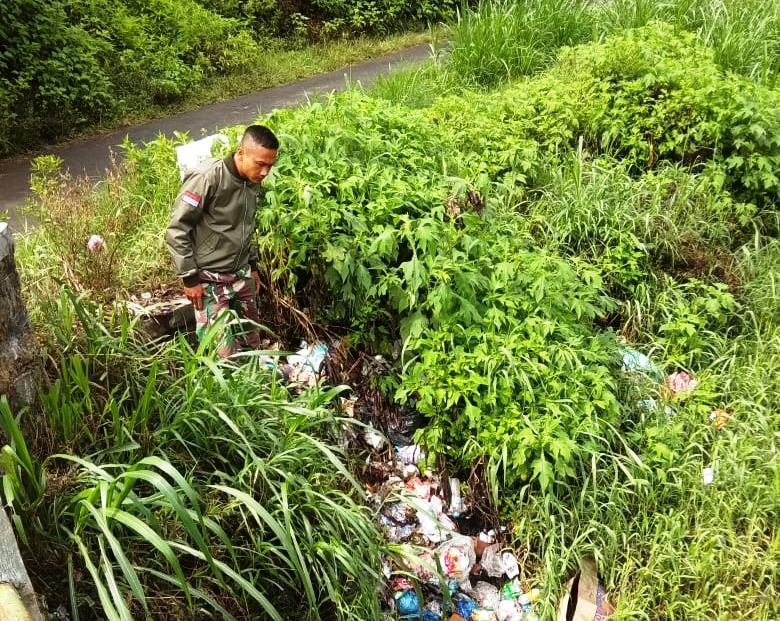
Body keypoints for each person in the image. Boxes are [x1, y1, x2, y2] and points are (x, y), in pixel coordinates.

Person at [166, 124, 279, 358]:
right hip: (210, 279)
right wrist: (189, 278)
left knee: (252, 343)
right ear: (241, 153)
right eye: (260, 164)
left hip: (241, 274)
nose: (265, 172)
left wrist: (253, 266)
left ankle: (254, 390)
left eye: (270, 165)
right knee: (221, 354)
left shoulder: (251, 180)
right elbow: (177, 229)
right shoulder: (207, 178)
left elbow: (245, 225)